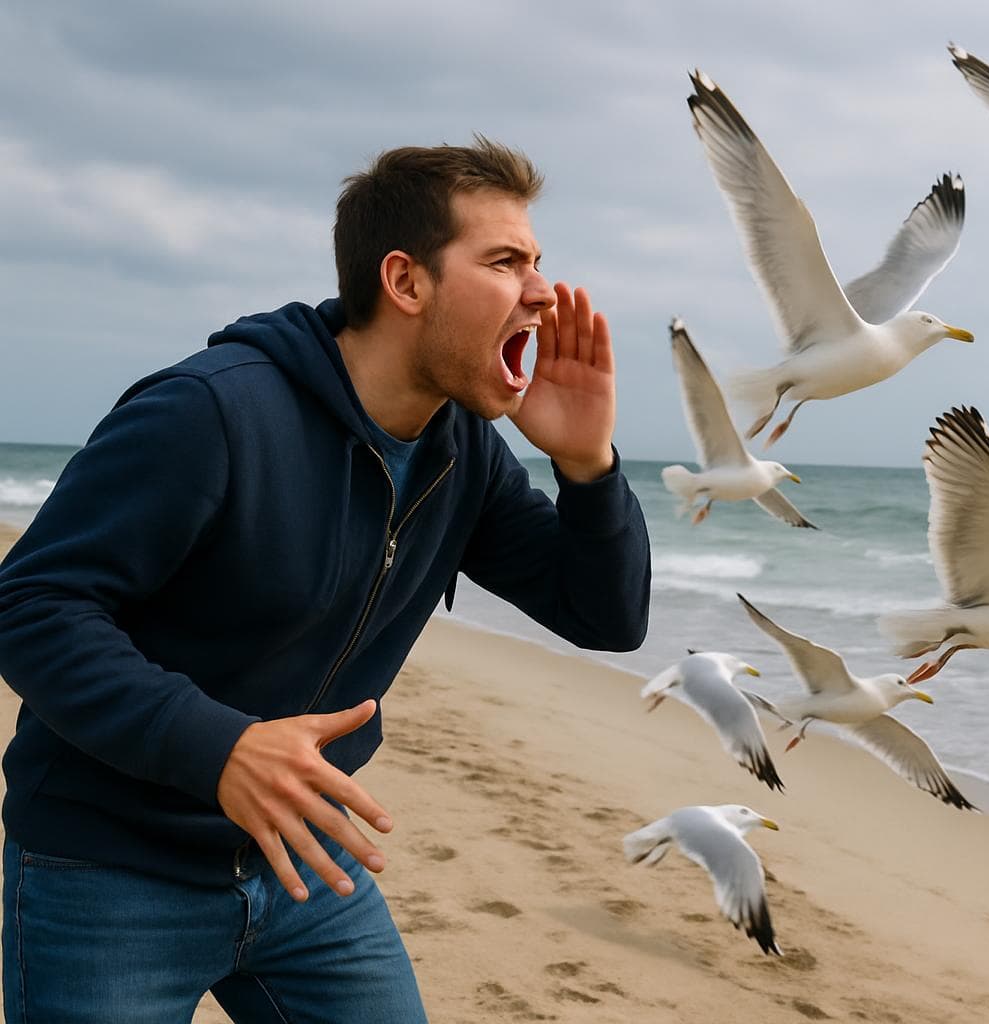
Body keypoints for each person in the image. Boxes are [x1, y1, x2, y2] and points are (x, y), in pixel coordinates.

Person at [0, 137, 651, 1021]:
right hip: (108, 869)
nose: (542, 290)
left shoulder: (463, 452)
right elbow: (32, 605)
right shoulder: (213, 412)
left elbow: (605, 617)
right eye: (504, 261)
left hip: (303, 862)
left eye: (538, 262)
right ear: (406, 281)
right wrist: (218, 746)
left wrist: (587, 466)